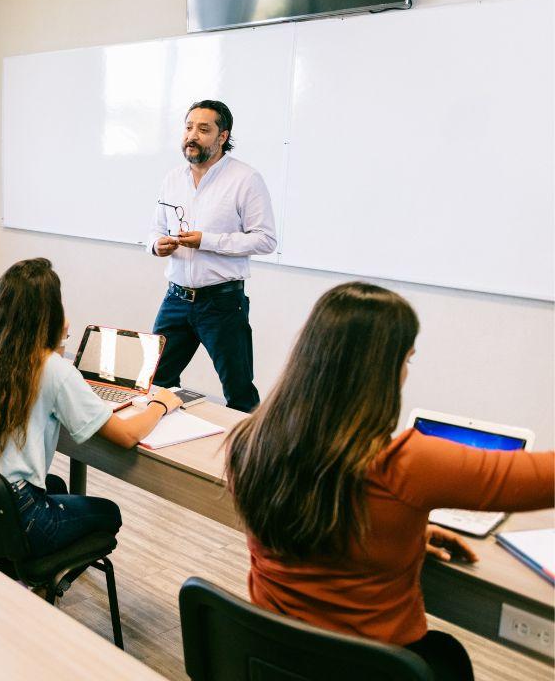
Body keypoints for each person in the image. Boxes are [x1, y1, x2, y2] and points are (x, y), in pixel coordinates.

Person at [225, 282, 554, 681]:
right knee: (446, 656)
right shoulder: (408, 464)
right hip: (371, 670)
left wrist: (401, 532)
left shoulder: (250, 441)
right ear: (381, 369)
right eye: (407, 360)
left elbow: (320, 516)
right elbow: (541, 479)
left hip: (273, 659)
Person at [0, 258, 182, 558]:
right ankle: (39, 582)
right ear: (49, 313)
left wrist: (56, 342)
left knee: (56, 484)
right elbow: (128, 435)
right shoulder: (51, 369)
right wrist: (161, 404)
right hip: (15, 513)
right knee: (108, 513)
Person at [147, 100, 276, 412]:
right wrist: (156, 245)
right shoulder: (173, 178)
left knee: (239, 391)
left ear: (222, 136)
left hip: (222, 303)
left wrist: (207, 241)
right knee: (153, 381)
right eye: (189, 127)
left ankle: (245, 458)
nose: (193, 135)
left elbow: (266, 240)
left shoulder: (245, 179)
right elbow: (154, 229)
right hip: (176, 299)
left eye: (204, 129)